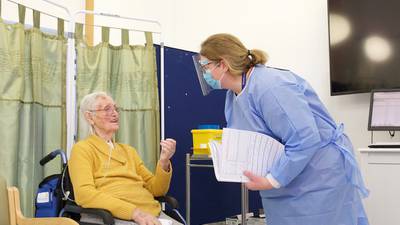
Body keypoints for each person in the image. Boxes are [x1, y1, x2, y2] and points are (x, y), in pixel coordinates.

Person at [194, 33, 369, 225]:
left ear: (223, 64)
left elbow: (305, 138)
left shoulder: (271, 85)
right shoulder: (233, 97)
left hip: (317, 177)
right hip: (283, 183)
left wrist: (273, 179)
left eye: (206, 66)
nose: (204, 73)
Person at [68, 92, 180, 225]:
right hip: (111, 216)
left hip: (151, 214)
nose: (114, 113)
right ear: (90, 117)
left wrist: (164, 161)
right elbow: (84, 195)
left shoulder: (128, 151)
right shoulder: (82, 149)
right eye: (106, 109)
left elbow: (156, 190)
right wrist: (134, 212)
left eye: (115, 108)